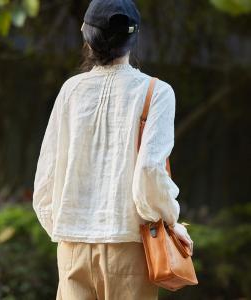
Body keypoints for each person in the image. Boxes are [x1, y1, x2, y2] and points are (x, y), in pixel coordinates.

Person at [33, 0, 194, 299]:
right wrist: (171, 223)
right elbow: (148, 172)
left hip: (72, 248)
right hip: (129, 246)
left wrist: (66, 226)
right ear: (133, 39)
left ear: (86, 36)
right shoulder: (156, 91)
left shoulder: (71, 90)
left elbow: (45, 179)